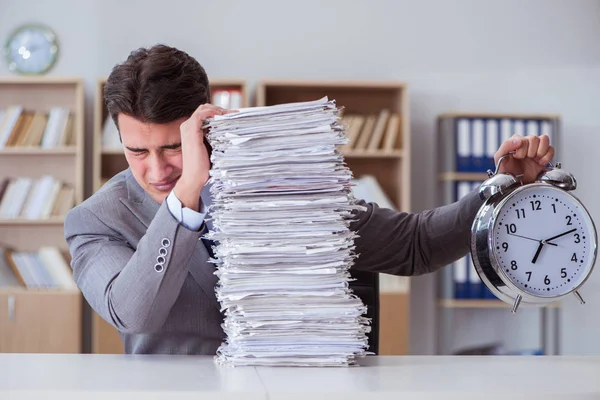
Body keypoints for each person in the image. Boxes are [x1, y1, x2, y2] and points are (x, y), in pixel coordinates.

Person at [64, 44, 555, 355]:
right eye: (137, 151)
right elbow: (134, 313)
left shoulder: (283, 185)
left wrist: (503, 187)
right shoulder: (96, 220)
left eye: (174, 147)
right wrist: (188, 190)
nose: (157, 169)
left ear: (205, 125)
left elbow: (415, 246)